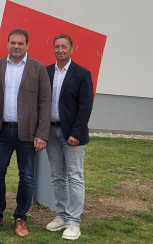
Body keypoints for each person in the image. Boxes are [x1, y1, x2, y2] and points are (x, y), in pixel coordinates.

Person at [0, 28, 51, 238]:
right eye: (13, 42)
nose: (16, 46)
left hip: (27, 134)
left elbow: (45, 104)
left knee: (27, 177)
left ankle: (20, 218)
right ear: (8, 44)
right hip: (0, 132)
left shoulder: (38, 69)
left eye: (20, 43)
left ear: (27, 45)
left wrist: (42, 133)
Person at [44, 34, 94, 241]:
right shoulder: (46, 72)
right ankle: (62, 216)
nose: (60, 50)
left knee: (74, 176)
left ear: (72, 49)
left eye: (64, 46)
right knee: (57, 176)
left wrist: (76, 133)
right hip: (51, 132)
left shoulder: (82, 74)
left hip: (72, 135)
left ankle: (74, 221)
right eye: (57, 46)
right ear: (53, 49)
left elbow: (85, 107)